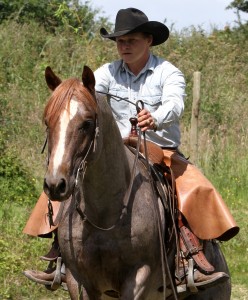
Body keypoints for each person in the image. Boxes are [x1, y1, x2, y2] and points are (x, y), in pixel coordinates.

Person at [23, 7, 239, 295]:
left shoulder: (167, 72)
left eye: (131, 40)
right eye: (120, 41)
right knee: (60, 182)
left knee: (194, 188)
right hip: (113, 151)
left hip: (159, 151)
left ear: (148, 40)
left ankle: (193, 259)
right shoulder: (105, 73)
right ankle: (60, 256)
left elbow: (175, 104)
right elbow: (83, 99)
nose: (124, 46)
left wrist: (157, 117)